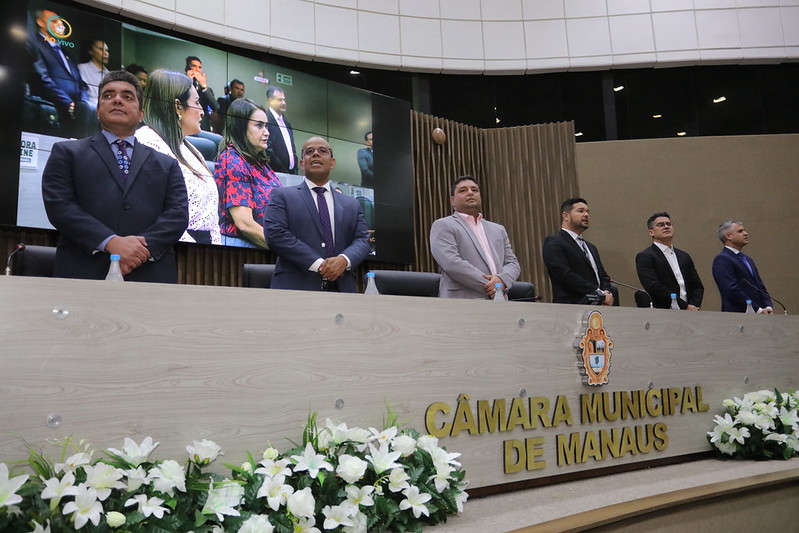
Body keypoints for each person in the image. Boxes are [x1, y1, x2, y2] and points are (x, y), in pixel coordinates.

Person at [41, 70, 188, 282]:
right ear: (98, 110)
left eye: (127, 97)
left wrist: (138, 252)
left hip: (149, 274)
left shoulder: (167, 164)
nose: (117, 100)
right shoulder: (67, 153)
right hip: (83, 272)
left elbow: (177, 215)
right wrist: (111, 242)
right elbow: (60, 207)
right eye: (108, 96)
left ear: (141, 114)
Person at [264, 136, 370, 292]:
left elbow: (362, 240)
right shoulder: (281, 196)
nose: (315, 154)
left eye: (322, 151)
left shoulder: (352, 204)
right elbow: (275, 234)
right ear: (301, 164)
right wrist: (320, 264)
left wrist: (343, 260)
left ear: (332, 163)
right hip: (294, 290)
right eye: (309, 152)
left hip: (342, 290)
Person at [134, 69, 221, 245]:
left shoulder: (191, 150)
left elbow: (212, 218)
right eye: (197, 103)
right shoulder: (145, 142)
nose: (202, 112)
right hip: (172, 250)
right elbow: (151, 213)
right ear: (177, 106)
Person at [430, 176, 520, 299]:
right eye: (463, 190)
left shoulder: (498, 229)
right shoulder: (443, 225)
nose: (470, 193)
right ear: (452, 200)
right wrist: (493, 286)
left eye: (475, 190)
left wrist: (502, 281)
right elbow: (452, 263)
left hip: (499, 301)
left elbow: (512, 263)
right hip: (462, 302)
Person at [214, 98, 281, 248]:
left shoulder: (259, 162)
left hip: (266, 244)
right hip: (242, 248)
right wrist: (288, 248)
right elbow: (245, 225)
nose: (267, 133)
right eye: (259, 126)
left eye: (266, 126)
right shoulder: (232, 161)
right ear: (240, 127)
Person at [27, 8, 93, 137]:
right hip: (49, 113)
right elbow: (42, 78)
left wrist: (82, 106)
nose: (60, 25)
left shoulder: (67, 53)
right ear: (40, 22)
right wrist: (68, 103)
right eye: (55, 21)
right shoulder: (35, 45)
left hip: (74, 118)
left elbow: (81, 84)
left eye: (61, 22)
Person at [542, 197, 615, 305]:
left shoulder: (591, 247)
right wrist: (598, 293)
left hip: (598, 307)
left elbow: (603, 276)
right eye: (581, 211)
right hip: (571, 306)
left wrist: (607, 293)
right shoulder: (554, 242)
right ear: (566, 215)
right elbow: (565, 275)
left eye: (587, 212)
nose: (586, 215)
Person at [635, 212, 704, 310]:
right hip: (663, 311)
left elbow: (697, 286)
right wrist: (685, 306)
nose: (666, 227)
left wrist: (693, 306)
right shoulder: (645, 256)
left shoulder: (684, 256)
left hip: (691, 312)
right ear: (651, 232)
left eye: (669, 224)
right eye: (661, 225)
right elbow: (654, 287)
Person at [712, 220, 773, 313]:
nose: (745, 233)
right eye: (740, 231)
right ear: (728, 236)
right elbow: (731, 290)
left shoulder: (748, 260)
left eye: (744, 230)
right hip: (737, 315)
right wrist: (758, 309)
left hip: (760, 316)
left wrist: (768, 306)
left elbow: (760, 286)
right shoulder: (722, 259)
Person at [265, 86, 298, 174]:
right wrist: (283, 170)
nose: (283, 103)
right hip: (276, 174)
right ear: (270, 100)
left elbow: (293, 149)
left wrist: (294, 170)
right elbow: (268, 149)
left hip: (291, 174)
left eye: (284, 99)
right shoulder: (266, 119)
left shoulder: (287, 123)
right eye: (280, 100)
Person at [184, 56, 219, 132]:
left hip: (203, 127)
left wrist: (204, 86)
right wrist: (188, 83)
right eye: (194, 66)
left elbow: (216, 107)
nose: (197, 69)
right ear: (188, 69)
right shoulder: (182, 85)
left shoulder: (206, 89)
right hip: (186, 126)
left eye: (199, 67)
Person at [77, 39, 109, 107]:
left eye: (107, 50)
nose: (106, 53)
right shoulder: (82, 68)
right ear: (90, 51)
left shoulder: (110, 75)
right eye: (101, 49)